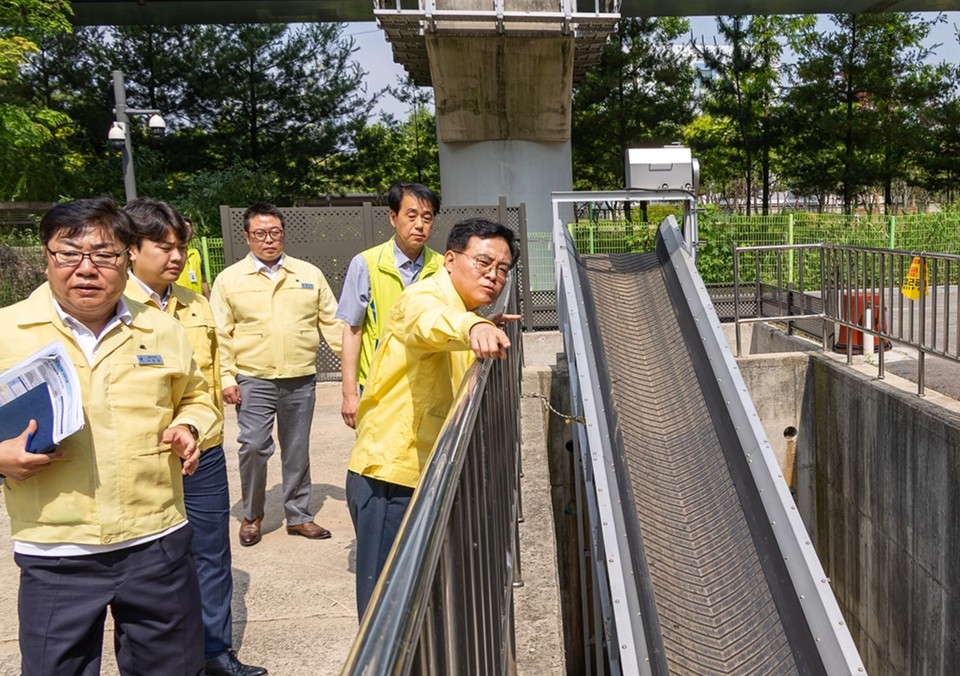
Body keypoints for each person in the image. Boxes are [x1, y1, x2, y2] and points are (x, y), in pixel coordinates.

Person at [0, 197, 222, 675]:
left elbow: (198, 397)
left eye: (104, 254)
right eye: (69, 253)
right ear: (46, 256)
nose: (86, 268)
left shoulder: (161, 329)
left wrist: (190, 427)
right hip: (57, 549)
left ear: (126, 258)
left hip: (156, 541)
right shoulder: (7, 330)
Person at [346, 216, 520, 619]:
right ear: (450, 260)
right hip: (391, 478)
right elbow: (428, 321)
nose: (493, 276)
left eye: (502, 269)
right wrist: (472, 326)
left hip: (423, 472)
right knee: (384, 611)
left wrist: (477, 322)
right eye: (483, 263)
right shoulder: (423, 297)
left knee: (415, 602)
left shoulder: (459, 307)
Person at [124, 198, 266, 676]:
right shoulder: (114, 307)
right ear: (131, 249)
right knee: (148, 564)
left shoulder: (195, 304)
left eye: (181, 247)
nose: (176, 256)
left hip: (202, 452)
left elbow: (208, 373)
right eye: (163, 247)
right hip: (147, 458)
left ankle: (214, 651)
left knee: (211, 554)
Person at [211, 203, 342, 547]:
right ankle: (252, 515)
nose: (268, 240)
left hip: (300, 377)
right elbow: (220, 335)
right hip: (253, 377)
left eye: (275, 233)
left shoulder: (308, 274)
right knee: (253, 446)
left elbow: (332, 323)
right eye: (260, 233)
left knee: (296, 449)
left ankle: (298, 516)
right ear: (247, 237)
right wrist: (227, 377)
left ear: (283, 234)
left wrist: (355, 364)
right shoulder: (229, 280)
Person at [336, 182, 443, 429]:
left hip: (428, 383)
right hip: (378, 385)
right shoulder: (365, 264)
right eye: (411, 216)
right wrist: (349, 394)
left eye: (427, 218)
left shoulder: (442, 267)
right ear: (393, 218)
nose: (420, 225)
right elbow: (352, 330)